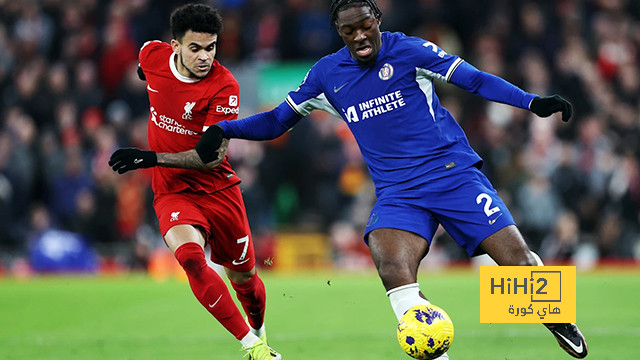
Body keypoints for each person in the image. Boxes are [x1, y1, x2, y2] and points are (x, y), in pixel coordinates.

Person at [117, 1, 588, 359]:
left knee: (515, 261)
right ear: (339, 34)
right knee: (387, 257)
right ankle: (433, 346)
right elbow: (278, 120)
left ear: (378, 21)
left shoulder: (410, 51)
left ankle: (552, 315)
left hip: (452, 175)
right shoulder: (327, 74)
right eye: (349, 31)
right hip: (399, 192)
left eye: (366, 26)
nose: (360, 36)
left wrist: (532, 102)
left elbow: (475, 80)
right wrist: (226, 129)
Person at [107, 4, 281, 360]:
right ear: (175, 46)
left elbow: (210, 157)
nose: (205, 57)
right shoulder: (151, 55)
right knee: (189, 258)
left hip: (218, 190)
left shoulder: (224, 86)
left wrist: (150, 157)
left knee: (244, 279)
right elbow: (143, 70)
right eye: (195, 48)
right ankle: (254, 347)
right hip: (172, 190)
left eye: (211, 47)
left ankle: (260, 330)